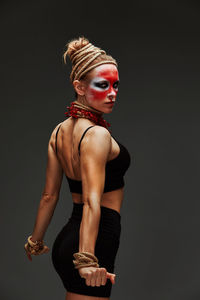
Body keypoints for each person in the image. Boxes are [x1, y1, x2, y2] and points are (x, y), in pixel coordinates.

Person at [24, 37, 131, 300]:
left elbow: (49, 195)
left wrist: (35, 241)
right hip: (93, 242)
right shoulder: (96, 135)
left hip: (70, 238)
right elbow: (92, 201)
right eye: (103, 85)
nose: (112, 93)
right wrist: (86, 260)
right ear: (79, 87)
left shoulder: (58, 132)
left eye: (115, 85)